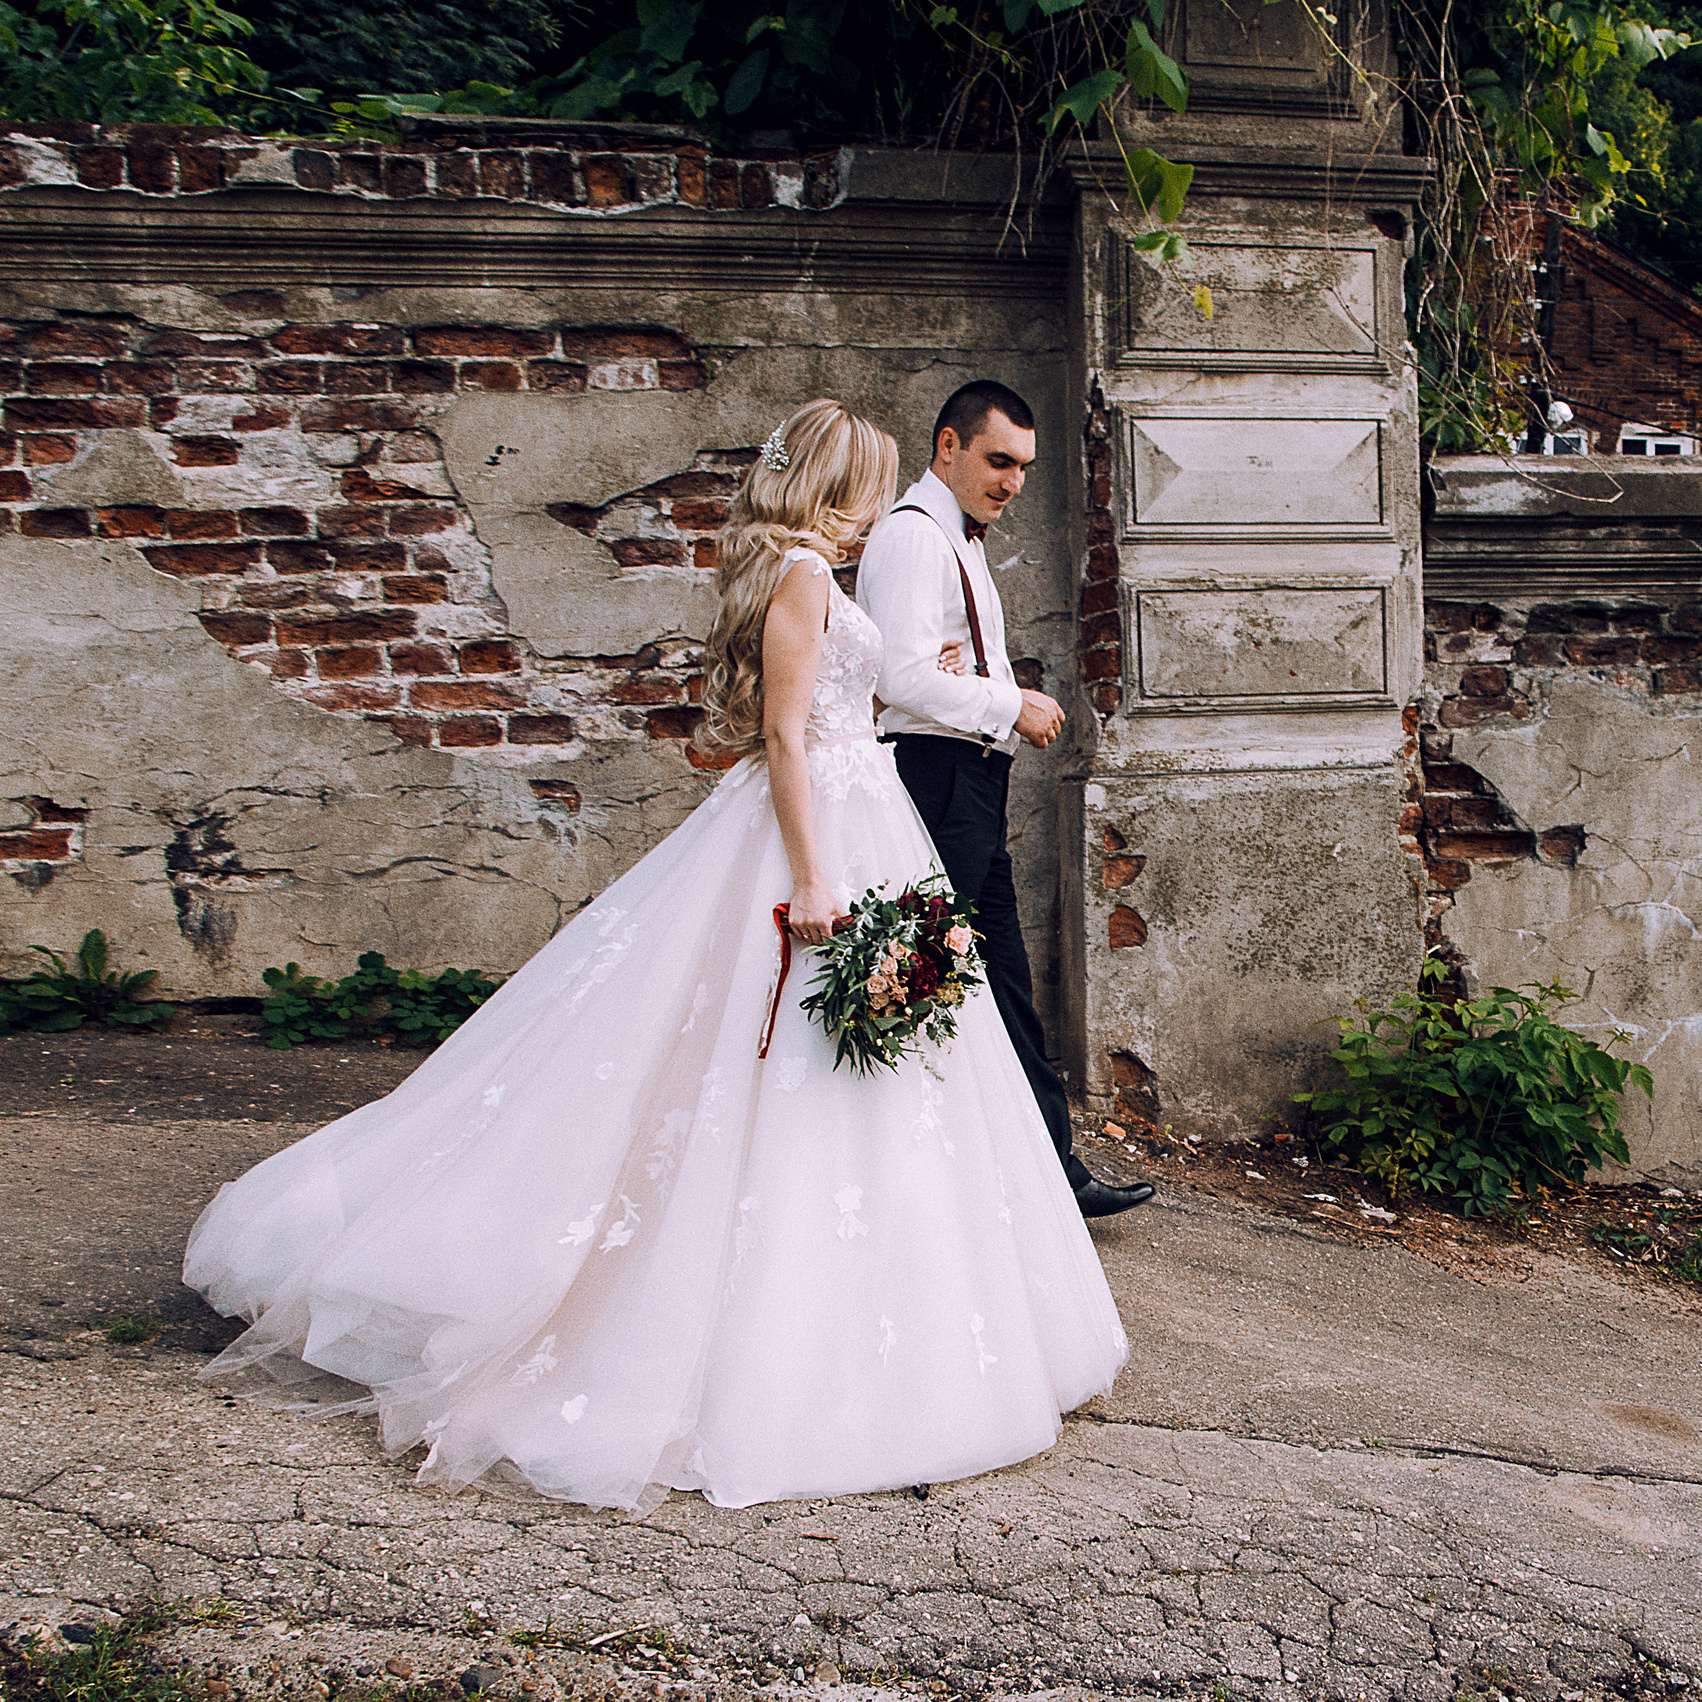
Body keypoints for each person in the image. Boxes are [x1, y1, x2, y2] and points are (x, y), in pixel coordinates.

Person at [182, 399, 1127, 1512]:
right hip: (818, 828)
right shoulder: (804, 577)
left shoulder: (810, 570)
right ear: (835, 483)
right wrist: (816, 877)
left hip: (866, 811)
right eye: (866, 482)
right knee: (767, 1048)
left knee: (872, 1052)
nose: (877, 504)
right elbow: (784, 733)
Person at [858, 380, 1152, 1218]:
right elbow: (902, 678)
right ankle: (872, 1169)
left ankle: (1052, 1174)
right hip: (936, 776)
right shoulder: (914, 540)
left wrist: (984, 694)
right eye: (997, 460)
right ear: (946, 446)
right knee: (913, 980)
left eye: (1022, 466)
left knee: (1002, 981)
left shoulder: (959, 537)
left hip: (972, 784)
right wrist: (1008, 702)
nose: (1012, 481)